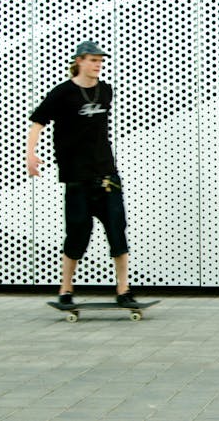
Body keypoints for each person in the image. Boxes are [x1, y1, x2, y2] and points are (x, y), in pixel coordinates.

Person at [26, 41, 138, 309]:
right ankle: (66, 290)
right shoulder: (62, 93)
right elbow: (38, 122)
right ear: (79, 61)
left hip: (107, 176)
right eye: (92, 60)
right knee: (77, 235)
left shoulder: (105, 91)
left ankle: (124, 290)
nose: (98, 65)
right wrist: (30, 154)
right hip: (76, 177)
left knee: (117, 232)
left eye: (100, 60)